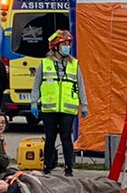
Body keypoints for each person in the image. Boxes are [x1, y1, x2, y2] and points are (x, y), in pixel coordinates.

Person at [32, 30, 87, 178]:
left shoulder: (74, 64)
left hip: (68, 108)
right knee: (50, 137)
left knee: (66, 138)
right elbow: (36, 85)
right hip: (49, 108)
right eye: (64, 44)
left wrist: (84, 104)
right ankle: (47, 167)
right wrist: (33, 102)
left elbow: (80, 85)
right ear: (55, 46)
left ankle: (69, 169)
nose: (67, 46)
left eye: (68, 44)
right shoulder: (44, 64)